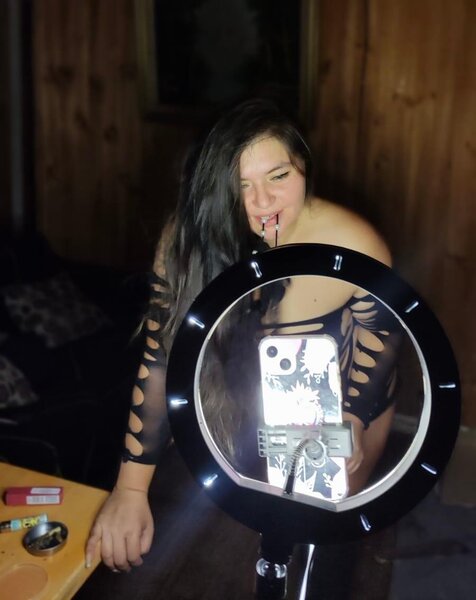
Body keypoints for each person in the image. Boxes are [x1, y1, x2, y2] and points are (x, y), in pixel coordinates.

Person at [85, 98, 400, 573]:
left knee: (310, 535)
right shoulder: (184, 241)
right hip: (242, 392)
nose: (263, 202)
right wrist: (129, 490)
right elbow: (160, 359)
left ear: (304, 166)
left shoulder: (355, 244)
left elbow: (382, 344)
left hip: (340, 398)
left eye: (279, 176)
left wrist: (352, 417)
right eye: (240, 185)